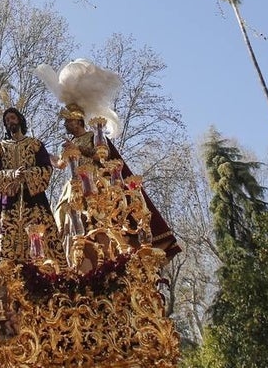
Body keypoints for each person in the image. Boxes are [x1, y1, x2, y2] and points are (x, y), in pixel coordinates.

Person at [54, 104, 181, 264]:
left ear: (78, 121)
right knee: (63, 211)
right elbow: (60, 164)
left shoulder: (93, 136)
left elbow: (102, 155)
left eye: (68, 121)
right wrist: (43, 156)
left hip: (95, 181)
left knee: (101, 217)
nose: (65, 124)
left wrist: (78, 149)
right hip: (75, 184)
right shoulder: (68, 143)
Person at [0, 107, 61, 263]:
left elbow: (47, 168)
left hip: (34, 201)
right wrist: (12, 175)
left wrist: (28, 174)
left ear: (19, 119)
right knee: (6, 245)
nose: (10, 122)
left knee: (42, 242)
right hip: (8, 204)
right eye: (6, 120)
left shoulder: (35, 145)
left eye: (12, 118)